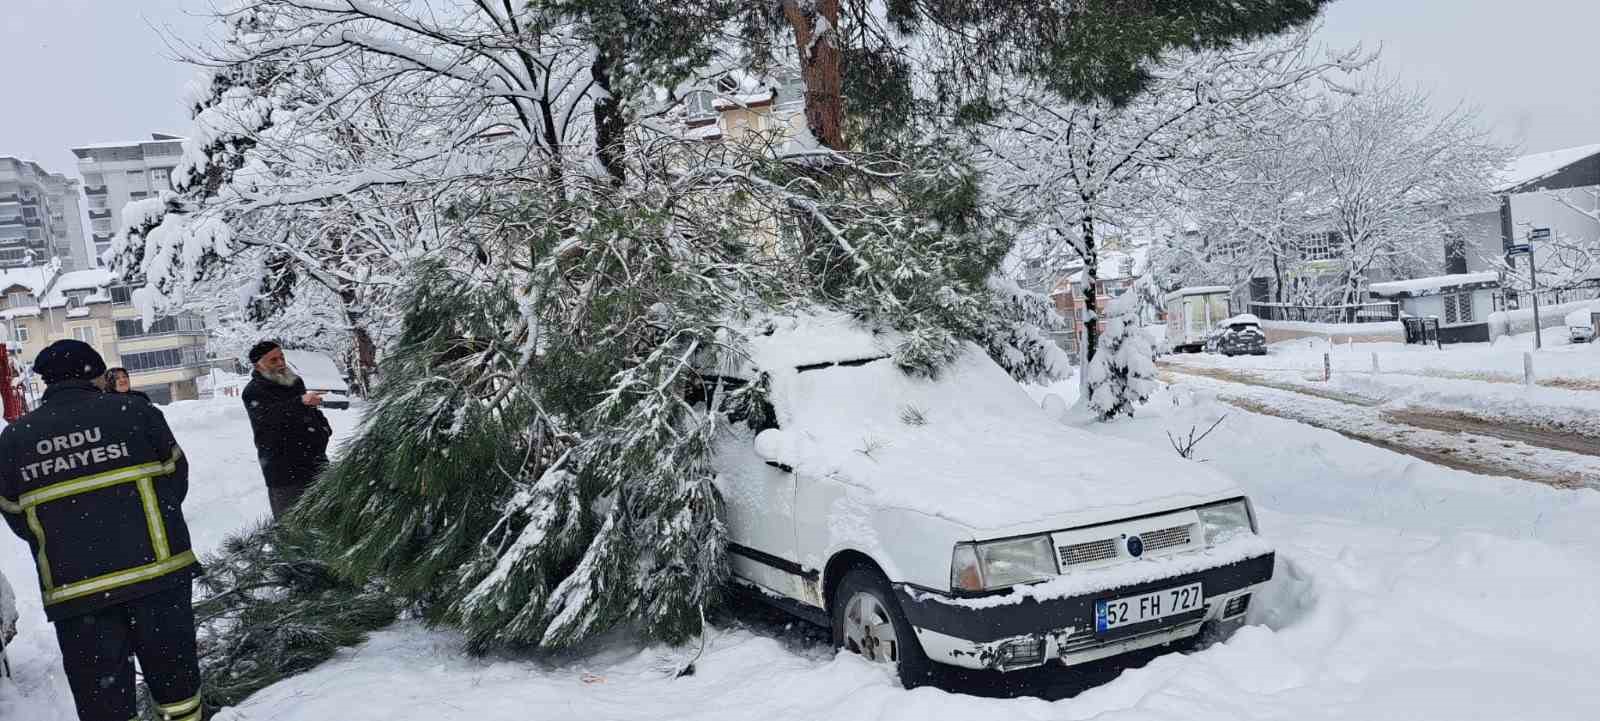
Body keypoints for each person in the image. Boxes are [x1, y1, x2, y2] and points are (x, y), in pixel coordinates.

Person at [0, 340, 202, 721]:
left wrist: (67, 539)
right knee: (177, 691)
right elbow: (176, 479)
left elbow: (15, 514)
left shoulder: (14, 439)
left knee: (104, 704)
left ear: (45, 381)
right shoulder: (136, 413)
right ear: (95, 375)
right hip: (157, 578)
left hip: (77, 594)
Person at [242, 341, 332, 519]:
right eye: (273, 360)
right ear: (258, 365)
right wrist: (300, 402)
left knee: (329, 518)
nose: (281, 363)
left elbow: (310, 412)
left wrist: (323, 428)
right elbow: (269, 418)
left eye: (281, 357)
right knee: (292, 527)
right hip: (284, 471)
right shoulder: (253, 391)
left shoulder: (295, 382)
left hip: (315, 462)